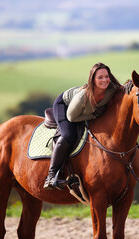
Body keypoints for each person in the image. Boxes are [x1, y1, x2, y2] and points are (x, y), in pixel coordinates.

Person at [44, 62, 122, 190]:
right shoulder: (83, 96)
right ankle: (51, 176)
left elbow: (123, 91)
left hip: (82, 111)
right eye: (100, 77)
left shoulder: (112, 89)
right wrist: (93, 116)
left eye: (106, 76)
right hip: (65, 107)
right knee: (68, 135)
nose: (105, 80)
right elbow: (71, 117)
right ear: (93, 79)